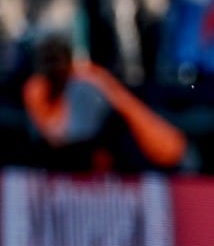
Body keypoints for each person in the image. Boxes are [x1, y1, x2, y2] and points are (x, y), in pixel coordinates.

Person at [20, 29, 190, 174]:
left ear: (69, 59)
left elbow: (77, 138)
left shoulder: (86, 83)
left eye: (55, 60)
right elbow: (48, 136)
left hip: (160, 155)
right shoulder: (36, 88)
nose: (51, 67)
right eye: (45, 60)